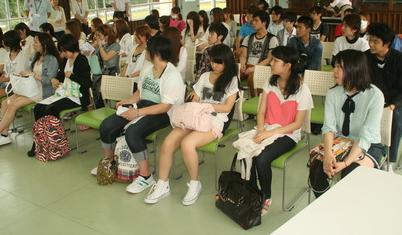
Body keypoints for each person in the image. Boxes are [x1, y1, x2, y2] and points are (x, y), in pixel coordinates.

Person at [145, 44, 239, 205]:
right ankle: (163, 183)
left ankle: (195, 183)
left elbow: (227, 107)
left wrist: (205, 106)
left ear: (227, 62)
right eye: (213, 62)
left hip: (214, 120)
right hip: (195, 117)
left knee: (187, 144)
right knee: (167, 143)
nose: (214, 65)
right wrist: (197, 103)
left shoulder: (231, 80)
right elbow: (195, 97)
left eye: (219, 62)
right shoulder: (205, 76)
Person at [91, 36, 185, 194]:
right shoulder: (148, 68)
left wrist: (138, 112)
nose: (145, 52)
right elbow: (140, 92)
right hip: (143, 105)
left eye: (148, 49)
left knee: (133, 132)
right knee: (106, 126)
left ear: (155, 53)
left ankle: (146, 177)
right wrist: (127, 102)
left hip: (163, 112)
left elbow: (164, 106)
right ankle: (110, 161)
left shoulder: (172, 75)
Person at [236, 46, 312, 215]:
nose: (271, 63)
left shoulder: (302, 89)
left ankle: (266, 196)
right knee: (248, 150)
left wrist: (270, 133)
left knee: (262, 158)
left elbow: (297, 124)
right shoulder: (270, 82)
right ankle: (253, 192)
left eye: (276, 61)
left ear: (288, 65)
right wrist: (261, 129)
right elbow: (261, 112)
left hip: (288, 134)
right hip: (267, 128)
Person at [309, 49, 385, 198]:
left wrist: (346, 162)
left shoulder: (375, 95)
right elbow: (329, 127)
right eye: (335, 66)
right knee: (317, 169)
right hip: (341, 141)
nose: (334, 71)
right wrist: (328, 154)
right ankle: (327, 207)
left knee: (350, 174)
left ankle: (349, 212)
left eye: (339, 67)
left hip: (368, 145)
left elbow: (366, 136)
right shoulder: (333, 92)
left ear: (354, 70)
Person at [0, 33, 59, 147]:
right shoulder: (37, 56)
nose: (33, 44)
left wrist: (31, 74)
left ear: (44, 45)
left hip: (42, 90)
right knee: (5, 103)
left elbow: (48, 80)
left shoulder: (52, 59)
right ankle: (4, 134)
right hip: (30, 87)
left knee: (12, 104)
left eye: (36, 42)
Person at [28, 34, 92, 156]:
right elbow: (61, 76)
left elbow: (88, 83)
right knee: (38, 107)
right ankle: (39, 142)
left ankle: (56, 144)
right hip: (65, 93)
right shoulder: (67, 60)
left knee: (51, 109)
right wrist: (53, 79)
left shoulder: (81, 60)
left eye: (65, 51)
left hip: (77, 97)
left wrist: (72, 76)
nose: (63, 53)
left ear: (72, 48)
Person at [365, 23, 402, 167]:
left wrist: (391, 106)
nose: (370, 44)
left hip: (392, 103)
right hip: (370, 100)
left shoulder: (400, 60)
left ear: (387, 44)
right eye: (370, 40)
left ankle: (390, 159)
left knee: (396, 118)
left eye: (375, 42)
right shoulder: (365, 57)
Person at [240, 10, 278, 98]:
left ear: (264, 23)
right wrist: (242, 64)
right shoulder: (248, 37)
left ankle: (255, 100)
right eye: (252, 20)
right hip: (248, 66)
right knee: (232, 75)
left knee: (252, 78)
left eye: (256, 20)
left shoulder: (272, 39)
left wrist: (254, 67)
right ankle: (235, 100)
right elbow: (243, 55)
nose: (253, 23)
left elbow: (269, 58)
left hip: (262, 67)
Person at [91, 24, 121, 109]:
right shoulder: (98, 46)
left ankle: (101, 107)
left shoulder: (115, 45)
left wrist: (100, 46)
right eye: (96, 35)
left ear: (107, 36)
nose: (97, 37)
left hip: (110, 73)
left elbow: (105, 58)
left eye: (99, 35)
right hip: (99, 73)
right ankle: (97, 107)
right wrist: (94, 45)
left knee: (100, 87)